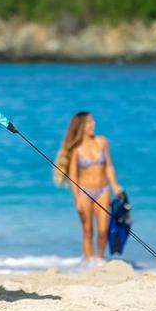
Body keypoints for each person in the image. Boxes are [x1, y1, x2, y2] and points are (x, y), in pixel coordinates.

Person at [54, 112, 123, 262]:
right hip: (84, 192)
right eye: (88, 123)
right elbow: (73, 177)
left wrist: (115, 187)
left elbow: (109, 167)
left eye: (92, 121)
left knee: (103, 230)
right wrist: (77, 199)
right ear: (80, 127)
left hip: (102, 190)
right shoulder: (76, 150)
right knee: (87, 230)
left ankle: (99, 260)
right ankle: (88, 261)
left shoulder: (102, 142)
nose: (92, 125)